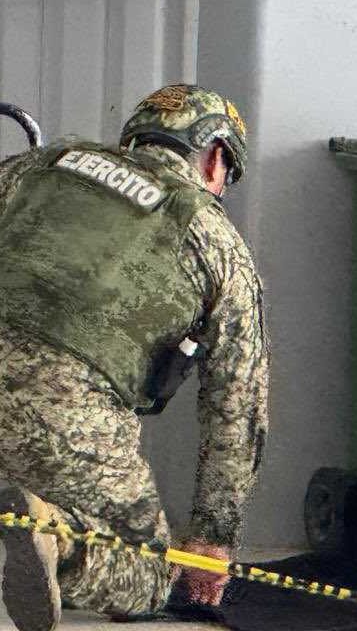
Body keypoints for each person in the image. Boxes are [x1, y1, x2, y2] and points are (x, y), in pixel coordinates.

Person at [0, 85, 269, 631]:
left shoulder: (40, 164)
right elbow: (237, 410)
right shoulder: (218, 243)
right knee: (146, 571)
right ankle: (58, 542)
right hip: (61, 414)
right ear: (215, 157)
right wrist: (211, 541)